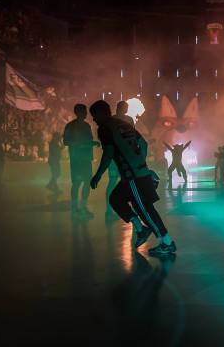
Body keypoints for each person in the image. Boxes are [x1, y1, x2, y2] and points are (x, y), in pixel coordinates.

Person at [89, 100, 176, 256]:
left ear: (102, 113)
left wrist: (98, 174)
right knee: (116, 199)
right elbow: (143, 143)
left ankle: (167, 242)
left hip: (132, 176)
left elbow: (108, 153)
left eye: (94, 116)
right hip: (137, 173)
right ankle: (141, 229)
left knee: (145, 210)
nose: (94, 119)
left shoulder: (105, 128)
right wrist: (140, 161)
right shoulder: (124, 124)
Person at [63, 104, 98, 217]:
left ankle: (83, 207)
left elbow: (89, 140)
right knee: (77, 183)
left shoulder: (86, 126)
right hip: (76, 160)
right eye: (84, 111)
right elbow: (65, 141)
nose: (86, 113)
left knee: (87, 183)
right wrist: (80, 144)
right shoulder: (70, 126)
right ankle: (75, 209)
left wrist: (93, 143)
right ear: (78, 112)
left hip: (86, 159)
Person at [106, 101, 133, 215]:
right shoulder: (123, 120)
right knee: (127, 181)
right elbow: (133, 137)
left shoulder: (112, 120)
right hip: (122, 156)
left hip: (117, 156)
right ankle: (116, 209)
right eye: (125, 107)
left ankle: (110, 209)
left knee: (113, 181)